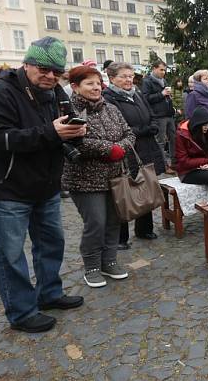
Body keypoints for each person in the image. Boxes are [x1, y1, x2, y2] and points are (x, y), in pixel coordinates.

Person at [0, 36, 85, 332]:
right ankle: (22, 312)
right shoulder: (0, 92)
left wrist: (76, 130)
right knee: (10, 255)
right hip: (6, 189)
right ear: (26, 64)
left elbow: (62, 127)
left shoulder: (56, 92)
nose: (50, 76)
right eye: (43, 68)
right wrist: (51, 133)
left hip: (45, 185)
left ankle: (49, 294)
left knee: (51, 244)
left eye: (56, 71)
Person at [64, 66, 135, 287]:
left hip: (115, 175)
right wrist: (108, 149)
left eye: (97, 83)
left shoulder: (111, 108)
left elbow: (129, 133)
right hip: (85, 179)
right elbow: (75, 141)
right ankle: (92, 266)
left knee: (114, 221)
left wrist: (120, 148)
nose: (96, 87)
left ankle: (109, 260)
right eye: (89, 83)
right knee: (96, 222)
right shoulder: (68, 111)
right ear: (75, 87)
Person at [103, 62, 166, 244]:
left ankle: (144, 229)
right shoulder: (109, 98)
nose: (128, 80)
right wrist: (144, 130)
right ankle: (120, 237)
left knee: (145, 188)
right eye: (123, 76)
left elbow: (151, 114)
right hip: (126, 151)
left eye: (130, 76)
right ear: (112, 78)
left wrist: (152, 125)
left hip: (146, 148)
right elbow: (117, 129)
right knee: (123, 193)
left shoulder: (136, 94)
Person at [175, 106, 208, 196]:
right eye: (204, 125)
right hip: (188, 172)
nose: (207, 127)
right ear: (197, 125)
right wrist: (206, 161)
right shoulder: (182, 135)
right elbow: (183, 161)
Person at [141, 59, 176, 174]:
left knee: (174, 139)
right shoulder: (147, 81)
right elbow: (146, 98)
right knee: (160, 141)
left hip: (169, 114)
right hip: (158, 115)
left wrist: (170, 99)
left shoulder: (163, 81)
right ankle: (164, 165)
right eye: (161, 70)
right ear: (154, 69)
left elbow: (165, 96)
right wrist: (161, 94)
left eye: (164, 70)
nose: (163, 72)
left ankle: (175, 163)